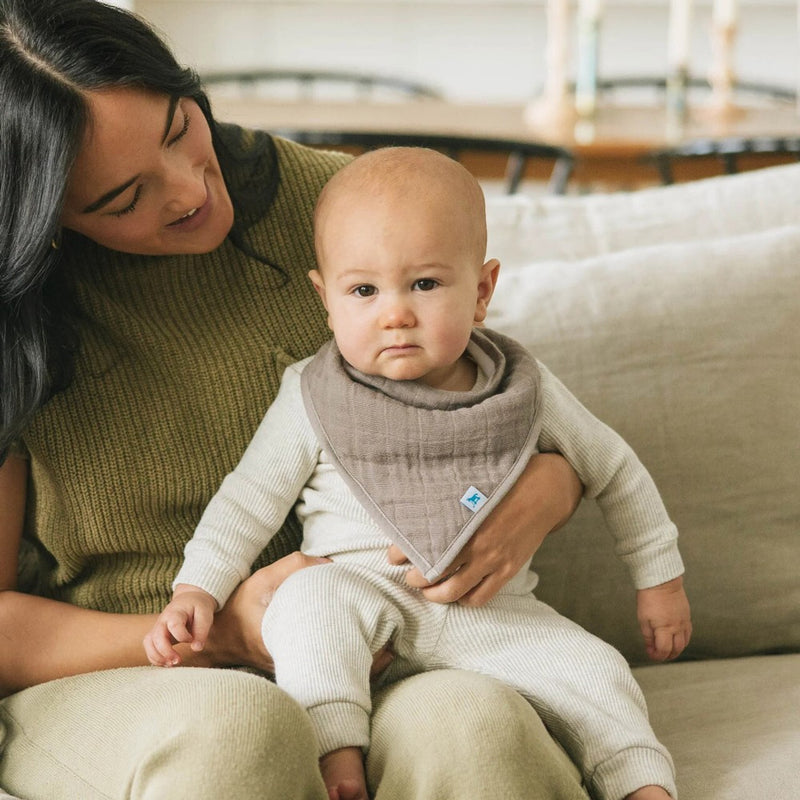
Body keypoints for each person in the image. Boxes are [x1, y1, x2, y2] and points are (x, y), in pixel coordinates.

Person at [0, 1, 592, 798]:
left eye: (179, 129)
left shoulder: (336, 203)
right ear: (46, 221)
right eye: (123, 197)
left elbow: (500, 403)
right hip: (136, 672)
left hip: (398, 640)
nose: (187, 190)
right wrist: (223, 637)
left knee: (474, 729)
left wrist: (549, 489)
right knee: (239, 736)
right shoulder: (19, 320)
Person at [146, 147, 692, 800]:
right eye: (364, 291)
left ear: (483, 290)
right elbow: (247, 501)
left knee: (596, 670)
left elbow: (616, 470)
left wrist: (661, 580)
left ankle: (641, 782)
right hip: (358, 597)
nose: (395, 313)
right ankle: (335, 752)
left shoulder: (520, 389)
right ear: (326, 298)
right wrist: (196, 589)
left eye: (425, 285)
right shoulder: (312, 394)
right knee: (304, 604)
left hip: (495, 616)